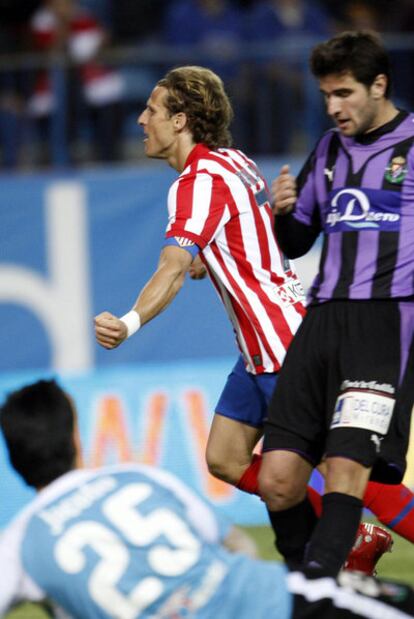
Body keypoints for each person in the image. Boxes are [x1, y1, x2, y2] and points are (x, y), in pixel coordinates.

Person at [93, 64, 414, 566]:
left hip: (281, 347)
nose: (140, 120)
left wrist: (129, 322)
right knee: (225, 457)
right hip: (262, 345)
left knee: (349, 474)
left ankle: (346, 543)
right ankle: (348, 542)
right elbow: (247, 229)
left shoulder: (196, 182)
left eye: (151, 109)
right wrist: (210, 257)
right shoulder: (234, 161)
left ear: (180, 120)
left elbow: (171, 266)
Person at [1, 378, 414, 618]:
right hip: (272, 603)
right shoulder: (136, 478)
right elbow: (236, 545)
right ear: (75, 437)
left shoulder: (20, 544)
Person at [258, 30, 414, 578]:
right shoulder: (328, 150)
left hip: (385, 324)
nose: (333, 107)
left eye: (344, 93)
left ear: (379, 85)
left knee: (347, 467)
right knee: (278, 479)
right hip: (321, 321)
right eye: (326, 95)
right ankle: (319, 581)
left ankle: (316, 593)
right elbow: (298, 239)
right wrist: (282, 213)